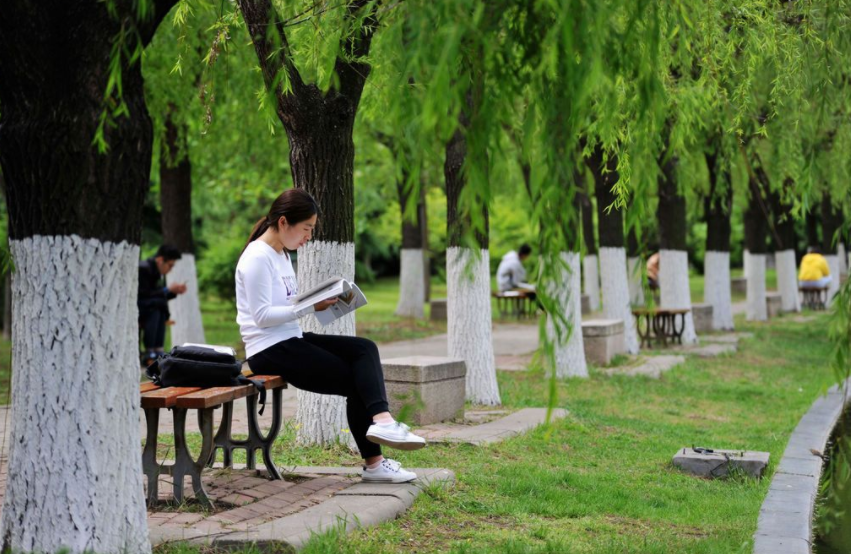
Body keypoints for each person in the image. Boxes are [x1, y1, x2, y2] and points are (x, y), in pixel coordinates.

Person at [236, 188, 426, 484]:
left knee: (364, 348)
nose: (308, 236)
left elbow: (284, 304)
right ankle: (375, 462)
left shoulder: (281, 254)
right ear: (284, 222)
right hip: (268, 350)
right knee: (358, 381)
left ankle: (383, 422)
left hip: (290, 339)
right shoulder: (257, 257)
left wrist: (319, 299)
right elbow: (261, 316)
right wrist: (310, 306)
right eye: (306, 228)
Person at [138, 244, 186, 367]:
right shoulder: (144, 269)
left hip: (148, 306)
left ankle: (157, 350)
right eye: (170, 265)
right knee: (156, 308)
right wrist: (167, 290)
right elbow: (143, 294)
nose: (170, 269)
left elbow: (156, 295)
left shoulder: (156, 271)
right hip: (139, 308)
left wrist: (173, 292)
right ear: (160, 260)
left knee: (159, 307)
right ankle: (151, 351)